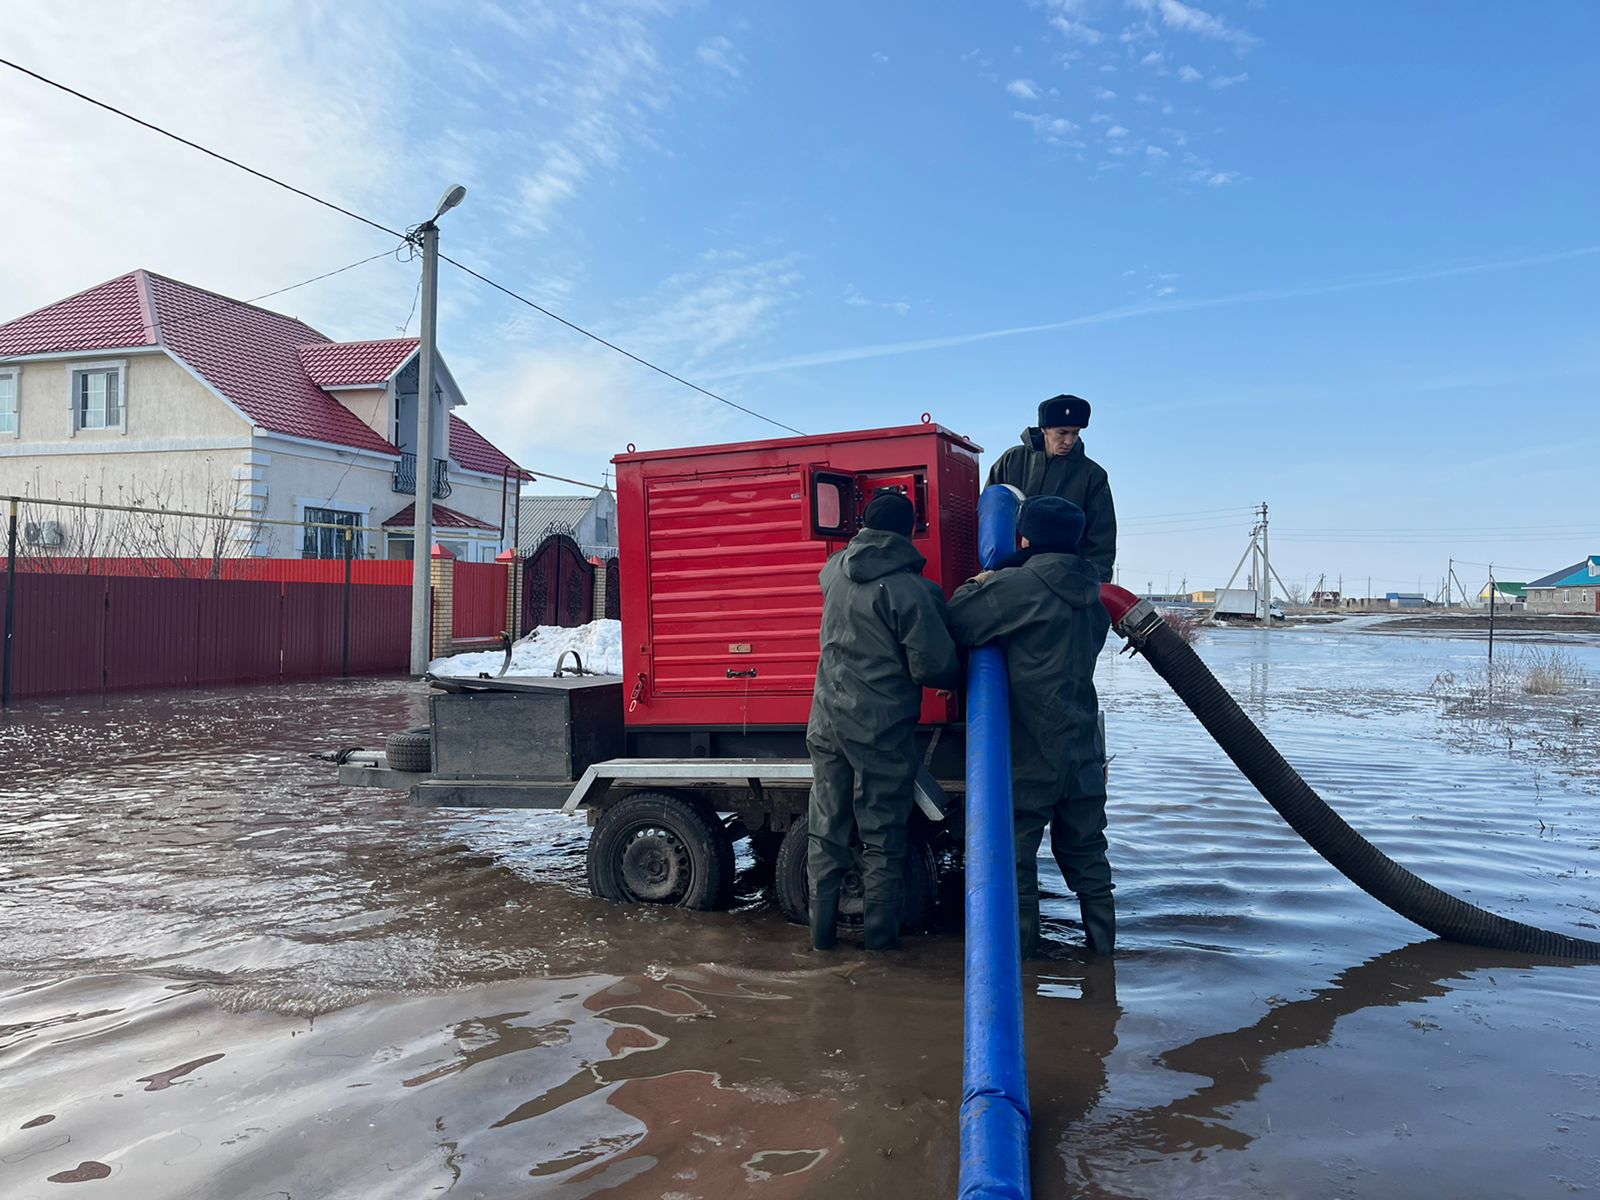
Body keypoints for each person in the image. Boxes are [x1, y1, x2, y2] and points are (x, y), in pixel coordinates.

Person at [947, 495, 1114, 957]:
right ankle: (1105, 964)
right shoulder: (1096, 594)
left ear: (1025, 537)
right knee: (1088, 859)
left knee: (1016, 863)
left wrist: (982, 581)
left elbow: (959, 621)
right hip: (1083, 747)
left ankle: (1024, 971)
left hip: (1030, 748)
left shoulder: (1020, 587)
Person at [806, 490, 963, 952]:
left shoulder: (833, 570)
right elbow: (933, 667)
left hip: (826, 720)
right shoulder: (914, 591)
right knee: (882, 837)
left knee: (827, 828)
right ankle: (879, 952)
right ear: (909, 532)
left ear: (863, 528)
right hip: (879, 729)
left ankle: (821, 943)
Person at [985, 394, 1117, 582]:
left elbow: (1101, 540)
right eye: (1062, 433)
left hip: (1065, 581)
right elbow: (989, 518)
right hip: (1010, 577)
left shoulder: (1093, 476)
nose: (1069, 441)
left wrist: (1095, 585)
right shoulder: (1011, 461)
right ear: (1044, 429)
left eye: (1076, 433)